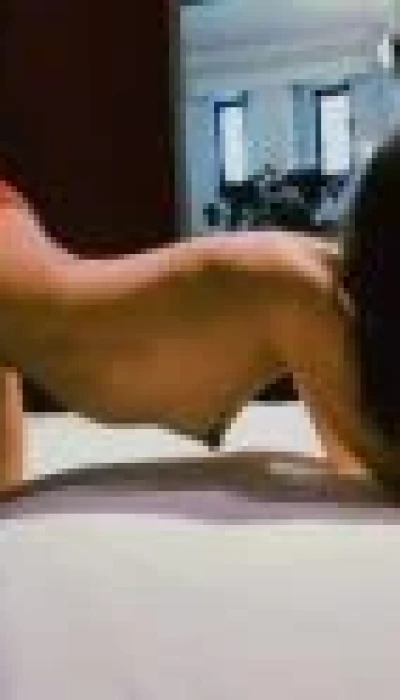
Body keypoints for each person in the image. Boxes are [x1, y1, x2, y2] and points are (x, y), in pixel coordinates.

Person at [0, 133, 398, 495]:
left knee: (8, 490)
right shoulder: (302, 292)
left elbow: (350, 462)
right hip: (14, 286)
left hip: (17, 283)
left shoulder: (310, 291)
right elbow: (379, 466)